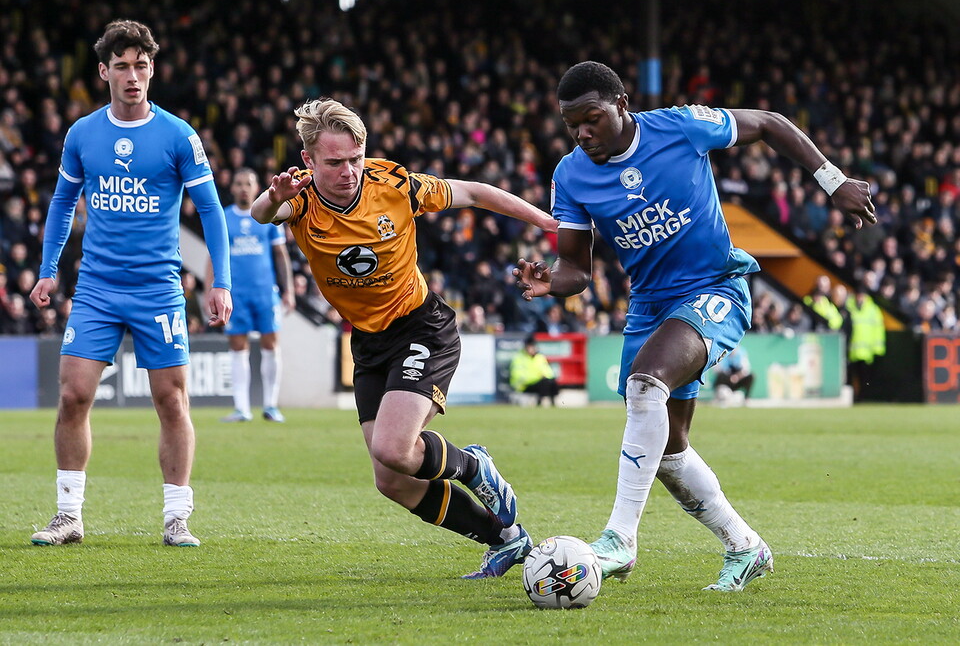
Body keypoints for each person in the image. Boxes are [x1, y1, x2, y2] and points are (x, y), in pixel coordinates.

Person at [514, 61, 876, 591]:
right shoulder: (571, 175)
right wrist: (552, 281)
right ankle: (744, 545)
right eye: (572, 126)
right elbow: (577, 270)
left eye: (591, 118)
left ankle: (620, 539)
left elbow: (771, 123)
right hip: (650, 307)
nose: (582, 133)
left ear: (620, 103)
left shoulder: (681, 126)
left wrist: (833, 179)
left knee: (645, 386)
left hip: (716, 289)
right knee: (668, 450)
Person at [251, 97, 558, 578]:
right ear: (309, 160)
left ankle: (473, 467)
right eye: (335, 162)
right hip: (369, 342)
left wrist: (543, 220)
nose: (350, 171)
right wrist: (274, 195)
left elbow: (475, 192)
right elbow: (259, 214)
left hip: (421, 326)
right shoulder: (300, 197)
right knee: (390, 479)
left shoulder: (393, 184)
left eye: (356, 158)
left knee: (394, 448)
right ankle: (506, 539)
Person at [29, 20, 233, 548]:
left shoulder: (178, 135)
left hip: (158, 289)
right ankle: (69, 515)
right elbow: (61, 204)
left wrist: (220, 281)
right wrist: (48, 268)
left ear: (152, 70)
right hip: (96, 287)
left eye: (141, 65)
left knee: (171, 399)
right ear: (104, 72)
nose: (133, 75)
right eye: (122, 65)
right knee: (73, 395)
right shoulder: (82, 134)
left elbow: (210, 210)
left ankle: (175, 518)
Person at [213, 168, 295, 423]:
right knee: (238, 347)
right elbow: (213, 257)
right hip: (236, 294)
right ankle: (242, 408)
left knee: (271, 345)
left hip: (264, 292)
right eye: (239, 183)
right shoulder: (224, 218)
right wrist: (212, 288)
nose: (244, 188)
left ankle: (271, 405)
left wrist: (288, 290)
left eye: (248, 183)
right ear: (233, 188)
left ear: (256, 185)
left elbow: (280, 255)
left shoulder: (268, 216)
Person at [509, 335, 559, 406]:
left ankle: (553, 403)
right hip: (524, 386)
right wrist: (538, 377)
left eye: (533, 346)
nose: (532, 349)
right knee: (543, 383)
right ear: (526, 347)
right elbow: (518, 376)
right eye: (530, 347)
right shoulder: (519, 358)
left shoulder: (540, 357)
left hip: (538, 382)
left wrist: (545, 377)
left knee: (551, 382)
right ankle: (539, 403)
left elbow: (549, 372)